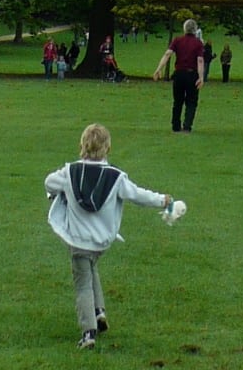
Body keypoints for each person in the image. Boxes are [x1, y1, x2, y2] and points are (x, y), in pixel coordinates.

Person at [45, 121, 181, 351]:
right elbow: (138, 195)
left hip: (77, 241)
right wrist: (163, 200)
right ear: (107, 148)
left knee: (82, 284)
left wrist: (59, 193)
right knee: (92, 268)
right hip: (101, 242)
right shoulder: (116, 177)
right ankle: (99, 312)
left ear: (82, 145)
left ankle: (88, 332)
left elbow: (49, 182)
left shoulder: (69, 172)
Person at [155, 18, 205, 132]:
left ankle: (175, 126)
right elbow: (200, 60)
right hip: (192, 75)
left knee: (177, 101)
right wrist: (201, 77)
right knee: (191, 101)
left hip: (179, 74)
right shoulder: (198, 43)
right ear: (195, 29)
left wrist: (159, 69)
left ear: (184, 29)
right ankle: (187, 126)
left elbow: (168, 54)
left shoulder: (177, 40)